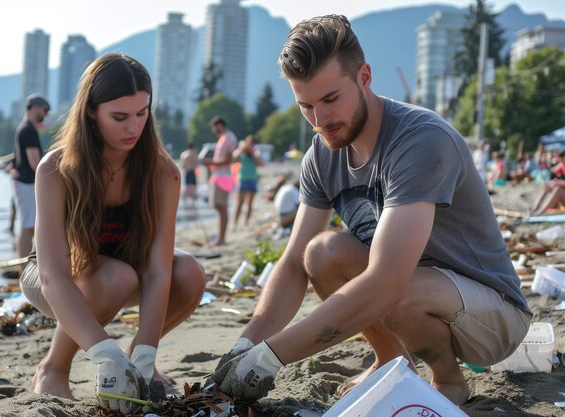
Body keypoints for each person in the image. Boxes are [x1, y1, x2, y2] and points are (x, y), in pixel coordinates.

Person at [211, 15, 531, 406]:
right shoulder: (322, 155)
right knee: (321, 252)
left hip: (493, 316)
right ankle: (391, 358)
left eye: (331, 99)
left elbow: (388, 282)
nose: (320, 120)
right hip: (415, 292)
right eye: (306, 106)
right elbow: (294, 263)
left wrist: (272, 357)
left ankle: (448, 381)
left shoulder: (421, 141)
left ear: (364, 76)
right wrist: (246, 345)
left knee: (396, 289)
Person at [18, 53, 205, 414]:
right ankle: (53, 366)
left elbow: (158, 270)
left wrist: (145, 356)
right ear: (91, 111)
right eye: (119, 117)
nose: (133, 128)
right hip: (51, 278)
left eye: (142, 113)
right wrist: (105, 354)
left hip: (122, 274)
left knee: (190, 272)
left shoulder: (163, 174)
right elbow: (51, 274)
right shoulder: (55, 169)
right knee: (117, 276)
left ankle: (135, 361)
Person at [11, 93, 49, 261]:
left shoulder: (23, 127)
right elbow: (35, 162)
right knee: (27, 228)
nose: (46, 114)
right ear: (34, 107)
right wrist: (51, 179)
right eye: (45, 110)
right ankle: (24, 269)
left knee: (29, 227)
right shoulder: (28, 129)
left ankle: (26, 266)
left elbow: (17, 158)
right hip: (27, 184)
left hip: (23, 183)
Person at [203, 116, 237, 246]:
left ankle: (221, 239)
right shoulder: (224, 138)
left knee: (221, 207)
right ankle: (220, 237)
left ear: (220, 125)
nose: (214, 130)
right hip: (219, 176)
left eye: (215, 127)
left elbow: (228, 160)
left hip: (224, 176)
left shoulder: (229, 138)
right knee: (219, 206)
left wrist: (209, 162)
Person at [232, 135, 263, 230]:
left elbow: (261, 164)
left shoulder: (255, 153)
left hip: (252, 180)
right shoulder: (241, 152)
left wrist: (253, 154)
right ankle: (235, 224)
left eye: (253, 143)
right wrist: (242, 149)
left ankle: (246, 223)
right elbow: (234, 157)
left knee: (250, 204)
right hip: (242, 180)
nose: (251, 145)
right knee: (239, 203)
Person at [179, 143, 200, 207]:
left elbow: (183, 164)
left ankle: (184, 199)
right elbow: (197, 163)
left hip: (187, 171)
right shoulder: (194, 154)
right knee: (193, 186)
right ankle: (192, 200)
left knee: (187, 185)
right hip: (192, 171)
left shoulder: (183, 154)